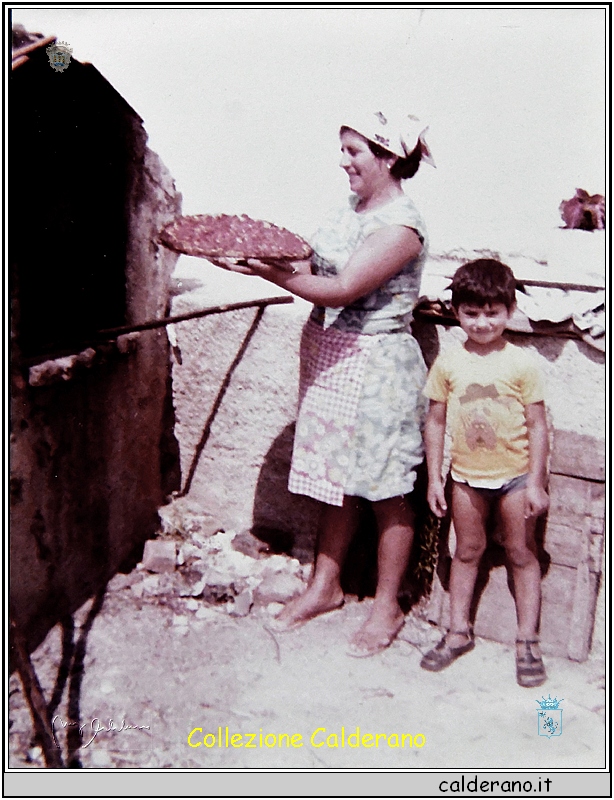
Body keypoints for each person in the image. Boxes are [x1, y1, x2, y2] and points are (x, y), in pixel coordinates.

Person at [219, 110, 435, 656]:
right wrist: (257, 257)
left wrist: (273, 274)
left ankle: (387, 606)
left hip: (378, 366)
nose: (343, 161)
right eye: (342, 150)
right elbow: (310, 260)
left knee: (387, 490)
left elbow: (341, 289)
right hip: (332, 358)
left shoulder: (401, 227)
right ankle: (325, 586)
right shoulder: (351, 209)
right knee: (333, 478)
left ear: (388, 159)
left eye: (355, 152)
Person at [420, 259, 550, 687]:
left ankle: (527, 640)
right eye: (471, 313)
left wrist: (535, 482)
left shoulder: (522, 364)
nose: (481, 322)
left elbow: (537, 425)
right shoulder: (449, 364)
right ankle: (458, 631)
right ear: (456, 313)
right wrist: (436, 478)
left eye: (492, 312)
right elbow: (436, 421)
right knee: (467, 550)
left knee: (520, 552)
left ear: (509, 310)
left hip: (514, 477)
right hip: (465, 478)